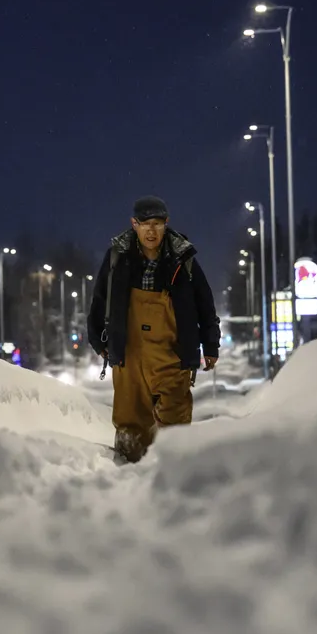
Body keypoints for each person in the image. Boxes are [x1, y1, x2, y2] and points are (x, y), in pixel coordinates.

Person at [87, 195, 221, 462]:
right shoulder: (118, 257)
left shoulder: (184, 260)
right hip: (129, 354)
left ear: (166, 224)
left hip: (172, 355)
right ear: (134, 224)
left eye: (157, 223)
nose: (151, 230)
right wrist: (97, 338)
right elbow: (100, 299)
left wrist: (210, 344)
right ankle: (129, 481)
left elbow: (205, 305)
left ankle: (174, 476)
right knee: (130, 424)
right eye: (145, 223)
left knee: (175, 423)